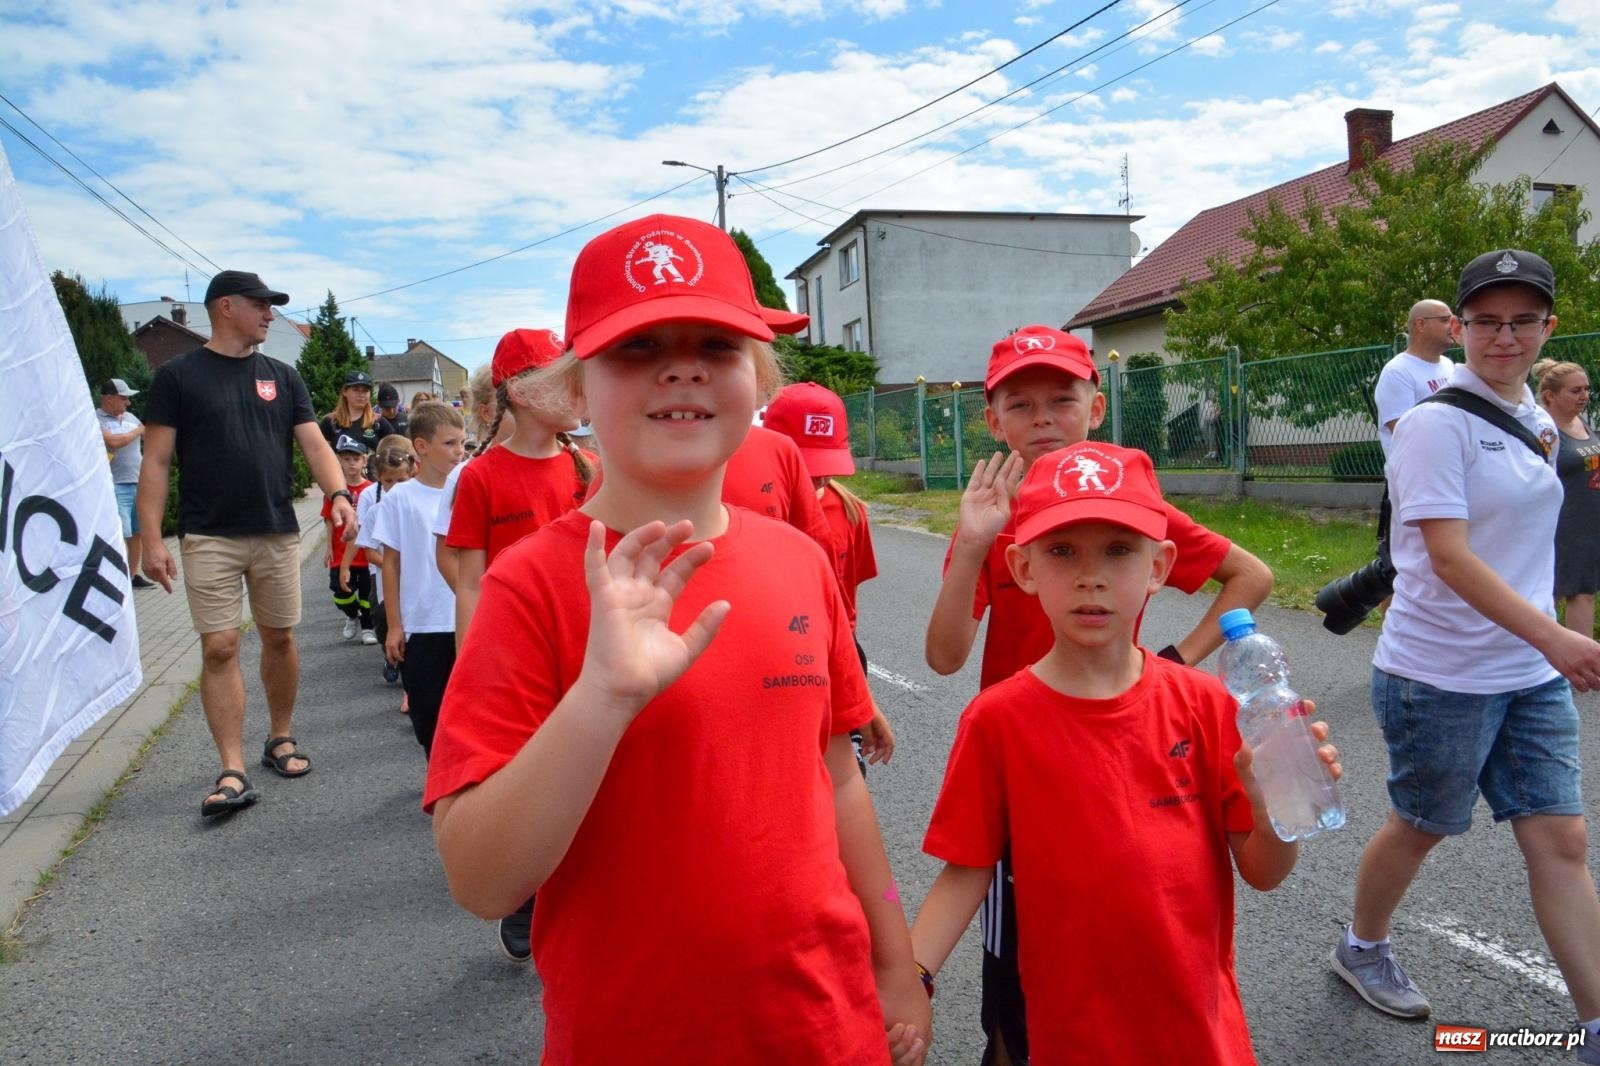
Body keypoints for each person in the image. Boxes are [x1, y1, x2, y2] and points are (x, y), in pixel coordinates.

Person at [423, 213, 931, 1064]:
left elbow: (838, 777)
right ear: (575, 391)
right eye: (638, 345)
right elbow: (480, 881)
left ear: (756, 378)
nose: (683, 364)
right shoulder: (533, 586)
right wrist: (601, 699)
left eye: (719, 344)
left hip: (826, 1026)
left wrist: (892, 957)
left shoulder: (800, 561)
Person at [912, 441, 1340, 1066]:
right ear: (1024, 568)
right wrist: (911, 976)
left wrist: (1276, 802)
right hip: (1071, 1035)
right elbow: (966, 870)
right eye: (1063, 551)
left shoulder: (1208, 704)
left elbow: (1264, 872)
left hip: (1198, 1032)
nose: (1092, 576)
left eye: (1119, 550)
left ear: (1160, 565)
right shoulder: (997, 720)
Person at [1333, 250, 1600, 1065]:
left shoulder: (1543, 419)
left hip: (1524, 673)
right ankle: (1362, 946)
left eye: (1523, 320)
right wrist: (1555, 632)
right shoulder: (1433, 425)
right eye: (1486, 320)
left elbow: (1528, 533)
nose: (1504, 335)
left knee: (1561, 842)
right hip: (1439, 675)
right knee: (1421, 826)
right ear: (1461, 328)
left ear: (1546, 328)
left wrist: (1546, 638)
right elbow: (1447, 556)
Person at [137, 269, 357, 818]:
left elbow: (314, 445)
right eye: (260, 304)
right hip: (208, 533)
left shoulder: (282, 376)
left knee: (279, 638)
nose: (269, 313)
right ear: (226, 306)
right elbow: (156, 462)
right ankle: (230, 767)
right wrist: (150, 538)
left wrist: (339, 494)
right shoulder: (178, 377)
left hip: (277, 530)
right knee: (220, 647)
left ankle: (279, 738)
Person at [762, 381, 895, 767]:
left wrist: (858, 690)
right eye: (805, 465)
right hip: (773, 658)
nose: (817, 479)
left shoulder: (851, 512)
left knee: (843, 769)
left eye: (825, 465)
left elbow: (847, 603)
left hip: (836, 653)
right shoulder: (749, 511)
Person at [373, 402, 464, 758]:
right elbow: (390, 563)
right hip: (422, 624)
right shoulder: (400, 497)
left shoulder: (468, 488)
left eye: (461, 442)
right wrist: (395, 625)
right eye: (450, 443)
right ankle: (439, 780)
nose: (459, 452)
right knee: (428, 717)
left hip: (464, 617)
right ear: (421, 447)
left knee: (468, 714)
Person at [1535, 359, 1600, 639]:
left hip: (1589, 520)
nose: (1584, 396)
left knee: (1577, 589)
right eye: (1575, 391)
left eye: (1586, 389)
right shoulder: (1542, 430)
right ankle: (1562, 667)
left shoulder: (1581, 421)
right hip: (1561, 522)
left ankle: (1577, 671)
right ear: (1550, 395)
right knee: (1559, 592)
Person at [357, 436, 416, 694]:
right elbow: (370, 553)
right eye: (388, 481)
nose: (395, 487)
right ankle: (390, 655)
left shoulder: (418, 506)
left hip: (415, 585)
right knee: (385, 624)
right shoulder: (375, 512)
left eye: (401, 481)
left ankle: (409, 689)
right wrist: (395, 566)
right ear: (380, 480)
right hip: (386, 584)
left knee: (413, 633)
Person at [97, 377, 155, 589]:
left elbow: (149, 436)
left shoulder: (130, 417)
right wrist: (137, 431)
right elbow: (113, 442)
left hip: (137, 482)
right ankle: (116, 576)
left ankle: (132, 575)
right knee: (121, 532)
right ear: (109, 398)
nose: (128, 403)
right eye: (124, 399)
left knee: (137, 532)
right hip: (115, 484)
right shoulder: (96, 419)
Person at [325, 435, 376, 644]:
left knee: (366, 593)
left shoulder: (372, 489)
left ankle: (367, 628)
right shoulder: (335, 493)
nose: (352, 463)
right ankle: (351, 614)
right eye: (346, 459)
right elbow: (328, 520)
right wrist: (328, 547)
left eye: (356, 459)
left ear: (364, 461)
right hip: (339, 551)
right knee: (340, 592)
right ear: (339, 461)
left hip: (364, 553)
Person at [319, 369, 396, 453]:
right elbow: (320, 453)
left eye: (365, 391)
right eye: (356, 390)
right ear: (345, 392)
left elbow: (395, 450)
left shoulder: (378, 421)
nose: (361, 394)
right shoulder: (330, 421)